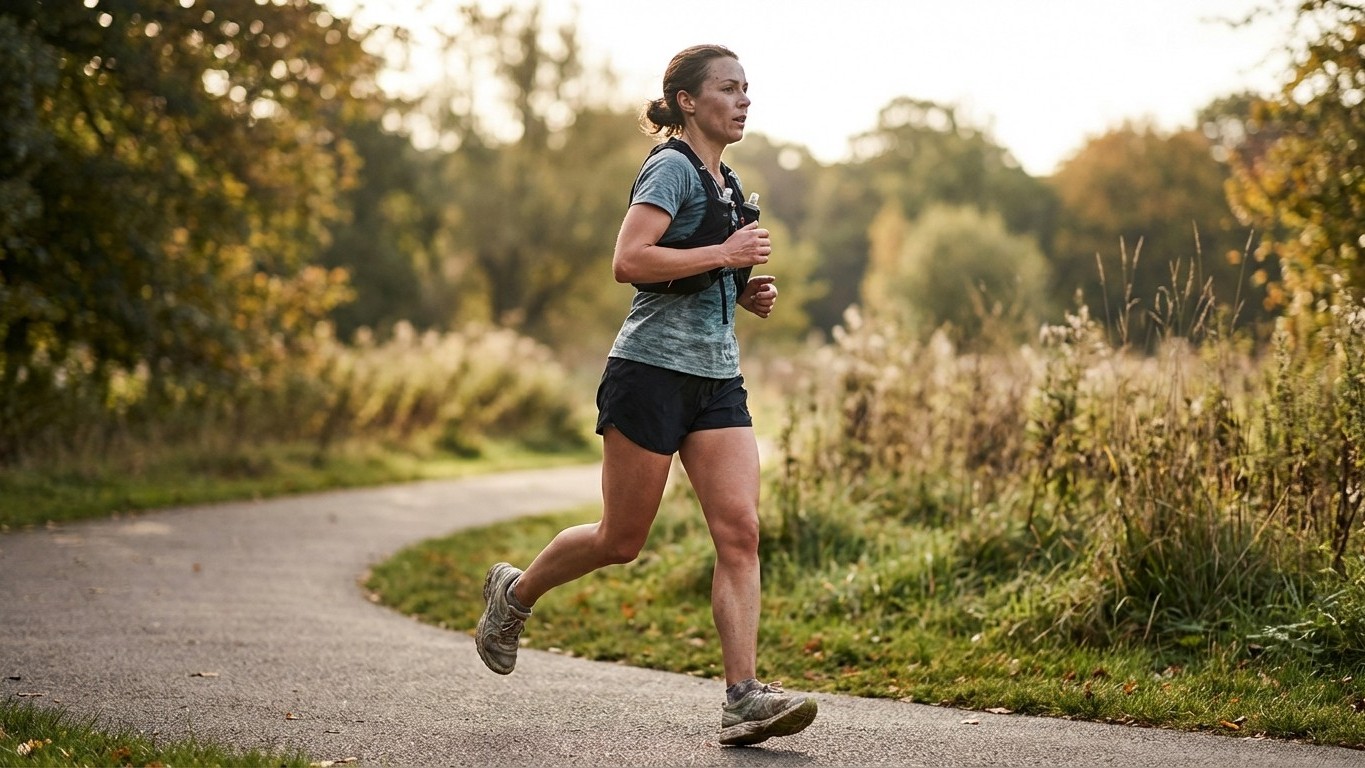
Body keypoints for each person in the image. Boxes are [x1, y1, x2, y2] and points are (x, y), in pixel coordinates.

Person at [475, 43, 817, 748]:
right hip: (651, 372)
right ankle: (514, 596)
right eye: (728, 88)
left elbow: (689, 270)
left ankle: (742, 698)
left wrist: (740, 290)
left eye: (747, 88)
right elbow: (628, 261)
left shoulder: (728, 180)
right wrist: (724, 256)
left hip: (716, 378)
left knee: (740, 531)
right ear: (688, 101)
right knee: (620, 539)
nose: (744, 100)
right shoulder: (670, 167)